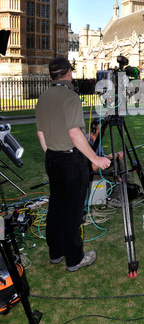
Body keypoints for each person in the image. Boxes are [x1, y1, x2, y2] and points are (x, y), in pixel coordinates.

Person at [35, 58, 110, 272]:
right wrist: (95, 159)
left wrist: (50, 153)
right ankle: (75, 258)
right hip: (70, 160)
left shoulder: (42, 98)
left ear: (51, 76)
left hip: (52, 158)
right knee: (72, 210)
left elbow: (41, 133)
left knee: (56, 206)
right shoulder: (70, 97)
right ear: (69, 73)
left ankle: (56, 252)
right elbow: (75, 133)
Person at [87, 118, 124, 206]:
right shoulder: (87, 141)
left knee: (117, 162)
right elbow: (91, 166)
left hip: (96, 168)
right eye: (102, 130)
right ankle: (112, 198)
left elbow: (101, 157)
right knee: (112, 169)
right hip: (88, 173)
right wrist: (109, 157)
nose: (104, 132)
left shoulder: (97, 140)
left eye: (104, 130)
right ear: (93, 130)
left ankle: (121, 189)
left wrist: (114, 156)